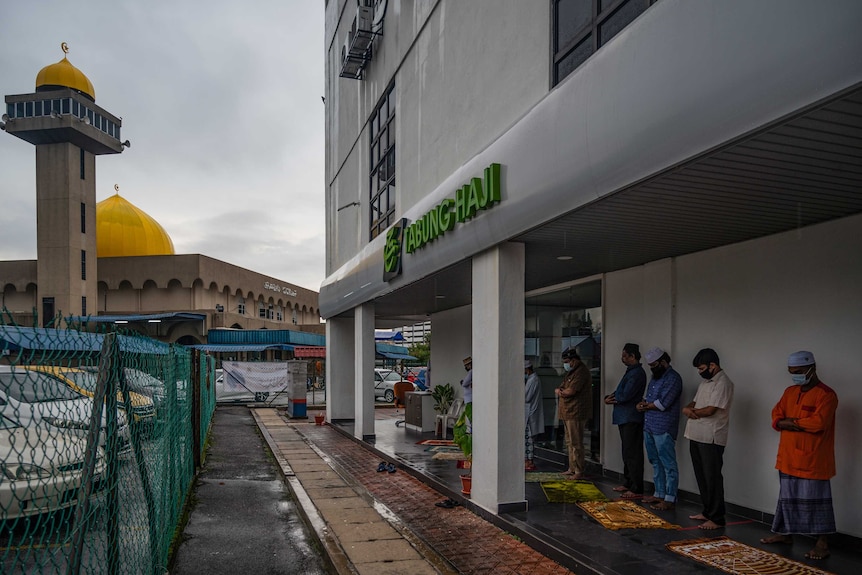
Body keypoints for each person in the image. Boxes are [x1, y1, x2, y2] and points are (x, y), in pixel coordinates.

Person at [760, 351, 838, 560]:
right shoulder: (790, 392)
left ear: (812, 368)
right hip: (788, 457)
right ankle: (785, 535)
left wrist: (792, 423)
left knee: (817, 502)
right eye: (792, 372)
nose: (795, 376)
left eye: (799, 372)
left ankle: (822, 543)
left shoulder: (826, 395)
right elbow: (776, 414)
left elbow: (818, 423)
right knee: (787, 498)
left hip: (813, 460)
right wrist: (786, 422)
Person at [683, 348, 734, 530]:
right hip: (695, 434)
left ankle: (717, 518)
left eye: (702, 367)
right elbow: (695, 403)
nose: (700, 371)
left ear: (713, 365)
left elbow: (711, 409)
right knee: (701, 476)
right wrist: (688, 408)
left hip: (711, 437)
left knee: (712, 477)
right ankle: (706, 511)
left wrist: (690, 412)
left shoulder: (723, 383)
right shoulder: (705, 382)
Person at [637, 347, 683, 511]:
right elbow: (650, 399)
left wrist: (646, 406)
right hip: (649, 424)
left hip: (664, 427)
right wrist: (643, 404)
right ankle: (659, 493)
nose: (651, 368)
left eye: (654, 365)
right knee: (655, 461)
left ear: (663, 362)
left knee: (668, 463)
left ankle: (670, 498)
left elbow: (663, 404)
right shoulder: (655, 377)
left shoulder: (673, 378)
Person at [604, 343, 646, 499]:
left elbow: (625, 394)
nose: (622, 359)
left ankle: (636, 487)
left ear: (632, 356)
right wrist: (609, 397)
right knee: (626, 451)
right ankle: (628, 481)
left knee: (633, 452)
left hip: (631, 417)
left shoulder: (637, 374)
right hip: (624, 416)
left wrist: (614, 399)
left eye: (624, 356)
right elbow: (620, 391)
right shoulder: (630, 372)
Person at [555, 348, 592, 479]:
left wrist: (561, 392)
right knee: (569, 442)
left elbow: (570, 391)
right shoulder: (571, 372)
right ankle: (572, 468)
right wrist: (561, 391)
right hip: (567, 412)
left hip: (576, 412)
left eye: (567, 361)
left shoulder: (581, 372)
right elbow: (561, 387)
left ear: (574, 360)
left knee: (576, 443)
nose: (566, 364)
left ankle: (578, 471)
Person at [524, 360, 545, 471]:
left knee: (529, 440)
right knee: (527, 439)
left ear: (527, 369)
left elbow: (526, 397)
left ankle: (530, 461)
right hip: (529, 413)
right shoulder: (531, 379)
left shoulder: (533, 380)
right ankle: (527, 460)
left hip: (531, 413)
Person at [453, 356, 473, 462]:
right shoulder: (472, 372)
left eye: (466, 365)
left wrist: (463, 382)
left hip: (470, 400)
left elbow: (465, 383)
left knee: (469, 421)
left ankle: (469, 443)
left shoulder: (471, 372)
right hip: (469, 399)